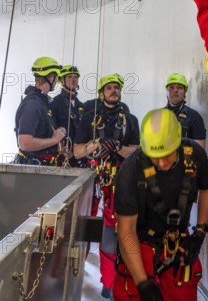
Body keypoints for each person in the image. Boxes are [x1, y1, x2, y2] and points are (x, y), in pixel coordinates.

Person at [113, 108, 208, 301]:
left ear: (178, 143)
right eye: (154, 156)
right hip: (140, 243)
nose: (160, 162)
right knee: (128, 293)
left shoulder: (194, 155)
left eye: (166, 155)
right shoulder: (131, 170)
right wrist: (142, 284)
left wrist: (200, 232)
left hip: (178, 243)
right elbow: (127, 230)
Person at [74, 74, 139, 300]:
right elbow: (76, 151)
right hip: (91, 180)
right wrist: (97, 144)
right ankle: (74, 275)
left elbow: (136, 151)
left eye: (117, 88)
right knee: (81, 228)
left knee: (111, 233)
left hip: (116, 182)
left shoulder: (130, 119)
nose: (114, 91)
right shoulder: (90, 116)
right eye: (109, 88)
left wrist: (118, 147)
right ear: (101, 93)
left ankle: (109, 281)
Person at [14, 56, 66, 165]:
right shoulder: (33, 104)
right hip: (33, 171)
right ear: (50, 77)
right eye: (56, 77)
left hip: (41, 168)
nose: (56, 81)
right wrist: (54, 139)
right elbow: (25, 143)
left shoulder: (43, 102)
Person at [51, 64, 84, 166]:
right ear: (62, 80)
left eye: (75, 77)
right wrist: (58, 146)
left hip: (79, 158)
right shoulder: (54, 103)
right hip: (60, 158)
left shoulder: (81, 106)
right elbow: (50, 129)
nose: (73, 80)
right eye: (69, 77)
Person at [165, 73, 206, 148]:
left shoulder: (195, 117)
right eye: (171, 87)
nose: (175, 90)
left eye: (180, 87)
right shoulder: (157, 116)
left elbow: (200, 149)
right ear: (167, 92)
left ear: (185, 93)